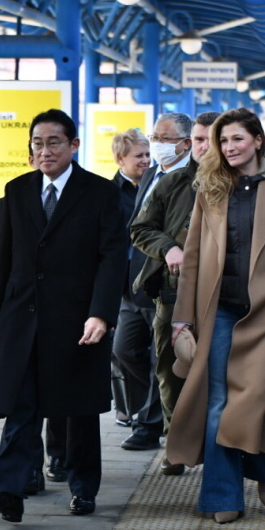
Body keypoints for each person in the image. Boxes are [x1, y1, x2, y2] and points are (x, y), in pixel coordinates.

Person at [0, 108, 126, 523]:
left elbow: (112, 259)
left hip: (79, 322)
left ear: (74, 145)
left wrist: (101, 314)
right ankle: (7, 490)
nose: (45, 151)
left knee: (77, 408)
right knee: (21, 405)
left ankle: (83, 488)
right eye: (37, 143)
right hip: (23, 319)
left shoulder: (98, 193)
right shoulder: (17, 190)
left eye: (54, 142)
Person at [166, 108, 265, 524]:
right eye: (222, 141)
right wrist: (183, 316)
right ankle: (221, 497)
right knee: (219, 404)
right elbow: (191, 257)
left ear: (258, 141)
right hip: (219, 312)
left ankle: (263, 468)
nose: (228, 148)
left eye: (236, 140)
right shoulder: (209, 189)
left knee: (259, 401)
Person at [131, 110, 217, 475]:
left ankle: (218, 446)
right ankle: (176, 444)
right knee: (171, 370)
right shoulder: (172, 182)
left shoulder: (251, 184)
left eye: (208, 141)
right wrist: (168, 248)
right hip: (173, 293)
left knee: (220, 373)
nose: (202, 147)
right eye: (197, 140)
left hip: (226, 297)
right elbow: (139, 228)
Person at [107, 128, 161, 452]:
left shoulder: (159, 184)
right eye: (138, 156)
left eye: (147, 154)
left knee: (159, 357)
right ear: (120, 159)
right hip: (125, 289)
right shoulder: (109, 193)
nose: (145, 161)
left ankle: (149, 421)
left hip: (154, 284)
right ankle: (148, 410)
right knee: (124, 350)